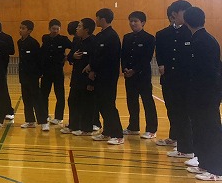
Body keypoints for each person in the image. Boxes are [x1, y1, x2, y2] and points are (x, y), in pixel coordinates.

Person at [183, 7, 222, 181]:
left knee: (210, 130)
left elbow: (209, 72)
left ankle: (217, 170)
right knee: (199, 129)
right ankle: (204, 163)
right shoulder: (198, 39)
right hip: (198, 94)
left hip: (207, 95)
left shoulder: (204, 41)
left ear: (186, 21)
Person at [155, 0, 194, 158]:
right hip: (169, 79)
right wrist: (161, 64)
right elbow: (160, 52)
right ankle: (176, 138)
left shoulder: (191, 32)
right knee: (172, 109)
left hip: (185, 80)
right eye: (184, 11)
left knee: (185, 113)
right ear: (174, 14)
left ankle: (187, 147)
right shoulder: (163, 34)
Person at [89, 8, 124, 145]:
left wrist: (94, 68)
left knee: (109, 105)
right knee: (101, 104)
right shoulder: (100, 36)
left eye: (97, 18)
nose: (96, 20)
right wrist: (92, 68)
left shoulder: (112, 36)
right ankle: (107, 132)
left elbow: (109, 58)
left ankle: (118, 134)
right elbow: (95, 55)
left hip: (108, 76)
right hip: (99, 75)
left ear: (102, 19)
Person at [121, 11, 158, 139]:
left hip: (143, 75)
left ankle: (151, 129)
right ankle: (133, 127)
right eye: (131, 21)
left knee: (147, 101)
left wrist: (134, 70)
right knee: (131, 101)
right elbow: (123, 55)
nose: (132, 23)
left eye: (135, 21)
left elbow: (146, 58)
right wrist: (125, 68)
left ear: (142, 22)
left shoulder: (149, 38)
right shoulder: (127, 37)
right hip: (129, 75)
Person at [63, 18, 97, 136]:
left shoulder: (94, 42)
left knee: (86, 103)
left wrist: (92, 81)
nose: (77, 29)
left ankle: (87, 129)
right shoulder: (77, 41)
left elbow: (96, 59)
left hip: (87, 78)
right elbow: (69, 57)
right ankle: (73, 125)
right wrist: (73, 56)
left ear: (86, 29)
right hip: (76, 77)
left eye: (79, 26)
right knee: (72, 101)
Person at [18, 20, 49, 131]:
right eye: (20, 28)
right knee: (26, 99)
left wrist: (39, 73)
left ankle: (43, 121)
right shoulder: (19, 42)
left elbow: (39, 59)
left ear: (29, 31)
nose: (20, 30)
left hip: (33, 75)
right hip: (23, 75)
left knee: (37, 99)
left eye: (23, 28)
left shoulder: (33, 43)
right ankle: (30, 120)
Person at [40, 19, 71, 125]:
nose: (55, 31)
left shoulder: (63, 39)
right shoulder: (45, 38)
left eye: (57, 29)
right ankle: (44, 115)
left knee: (60, 95)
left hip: (58, 71)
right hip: (46, 71)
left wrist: (68, 57)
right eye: (53, 29)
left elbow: (74, 46)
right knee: (44, 94)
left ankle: (59, 117)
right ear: (49, 28)